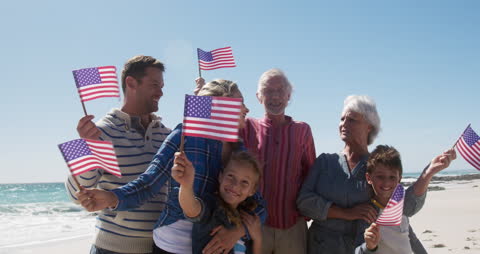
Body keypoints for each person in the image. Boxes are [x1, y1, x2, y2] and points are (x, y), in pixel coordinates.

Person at [76, 79, 267, 254]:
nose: (246, 109)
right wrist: (111, 197)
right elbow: (149, 183)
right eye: (239, 103)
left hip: (213, 244)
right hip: (173, 244)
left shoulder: (239, 150)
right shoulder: (184, 136)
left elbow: (257, 204)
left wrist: (237, 231)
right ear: (219, 109)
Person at [296, 95, 440, 254]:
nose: (344, 124)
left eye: (352, 120)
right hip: (322, 246)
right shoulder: (324, 162)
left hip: (364, 248)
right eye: (342, 119)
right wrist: (347, 213)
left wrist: (428, 173)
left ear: (369, 127)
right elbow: (304, 202)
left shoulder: (378, 165)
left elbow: (406, 206)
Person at [65, 55, 171, 254]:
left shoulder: (167, 134)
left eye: (162, 86)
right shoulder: (101, 132)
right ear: (131, 83)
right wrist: (85, 147)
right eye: (155, 85)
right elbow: (75, 194)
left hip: (161, 248)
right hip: (111, 249)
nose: (160, 92)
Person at [239, 68, 316, 254]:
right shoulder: (247, 127)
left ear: (289, 95)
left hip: (293, 226)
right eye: (268, 90)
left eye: (280, 90)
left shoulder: (302, 130)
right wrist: (201, 96)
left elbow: (311, 174)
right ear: (259, 96)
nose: (275, 96)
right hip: (255, 225)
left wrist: (305, 213)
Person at [355, 145, 456, 254]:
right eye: (380, 176)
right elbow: (357, 251)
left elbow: (412, 241)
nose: (386, 183)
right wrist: (369, 246)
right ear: (369, 178)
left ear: (399, 179)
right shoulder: (367, 213)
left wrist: (430, 171)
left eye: (392, 177)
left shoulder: (399, 208)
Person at [172, 150, 263, 254]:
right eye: (231, 176)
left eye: (244, 182)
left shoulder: (247, 219)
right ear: (221, 176)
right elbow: (191, 209)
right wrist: (186, 185)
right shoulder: (212, 205)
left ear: (252, 191)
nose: (235, 185)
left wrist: (257, 239)